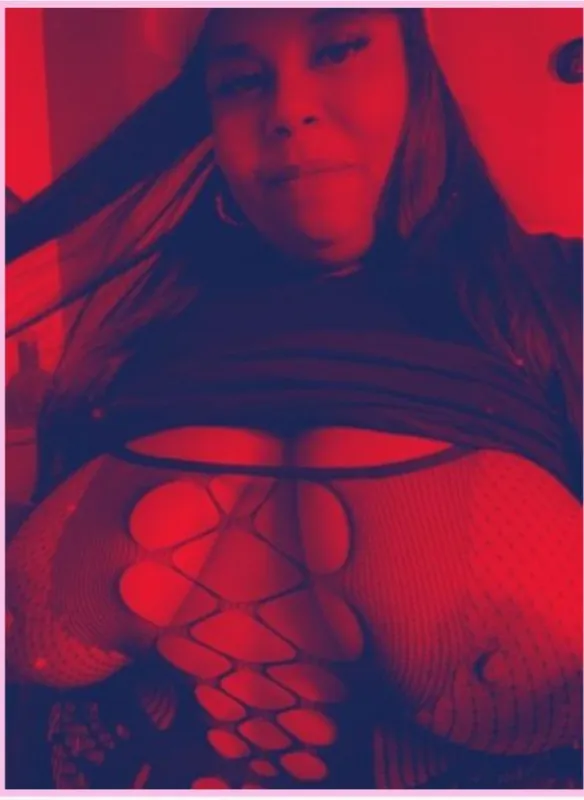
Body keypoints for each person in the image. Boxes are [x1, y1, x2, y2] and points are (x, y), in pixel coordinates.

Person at [5, 7, 583, 790]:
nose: (288, 109)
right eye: (242, 81)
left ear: (418, 73)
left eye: (338, 48)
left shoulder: (558, 302)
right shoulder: (129, 339)